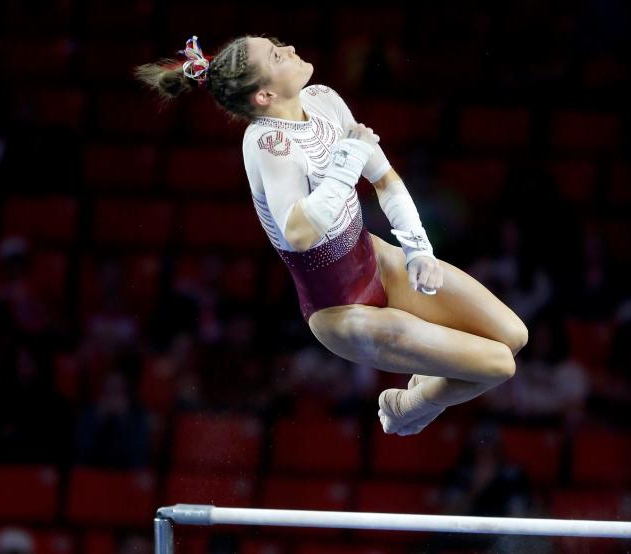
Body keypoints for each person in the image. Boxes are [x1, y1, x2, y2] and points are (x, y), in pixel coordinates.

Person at [135, 35, 528, 435]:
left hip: (379, 261)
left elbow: (385, 179)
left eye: (278, 43)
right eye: (275, 54)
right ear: (265, 94)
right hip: (342, 311)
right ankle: (407, 407)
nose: (288, 48)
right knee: (498, 364)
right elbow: (300, 233)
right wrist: (347, 161)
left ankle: (422, 393)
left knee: (514, 336)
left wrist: (418, 249)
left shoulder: (323, 99)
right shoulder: (266, 144)